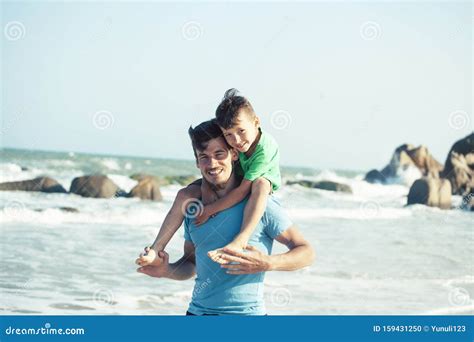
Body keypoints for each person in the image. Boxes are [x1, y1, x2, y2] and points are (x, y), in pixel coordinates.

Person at [136, 119, 314, 315]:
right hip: (197, 314)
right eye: (203, 157)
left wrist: (267, 263)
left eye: (219, 154)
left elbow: (306, 253)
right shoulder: (194, 208)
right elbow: (192, 264)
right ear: (196, 161)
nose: (212, 163)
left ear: (234, 154)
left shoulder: (259, 204)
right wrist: (166, 270)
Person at [194, 89, 282, 263]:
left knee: (260, 184)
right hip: (242, 177)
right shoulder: (237, 144)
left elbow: (243, 191)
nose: (236, 140)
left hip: (261, 182)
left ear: (256, 122)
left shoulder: (264, 149)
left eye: (241, 131)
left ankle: (241, 239)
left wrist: (211, 209)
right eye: (228, 134)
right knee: (193, 187)